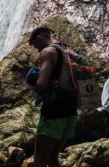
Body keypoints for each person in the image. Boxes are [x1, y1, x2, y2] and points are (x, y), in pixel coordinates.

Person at [29, 26, 78, 167]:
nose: (37, 50)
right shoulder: (67, 51)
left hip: (53, 111)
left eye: (35, 46)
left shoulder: (48, 51)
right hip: (70, 110)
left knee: (40, 159)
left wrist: (33, 82)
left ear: (40, 38)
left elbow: (41, 84)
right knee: (53, 158)